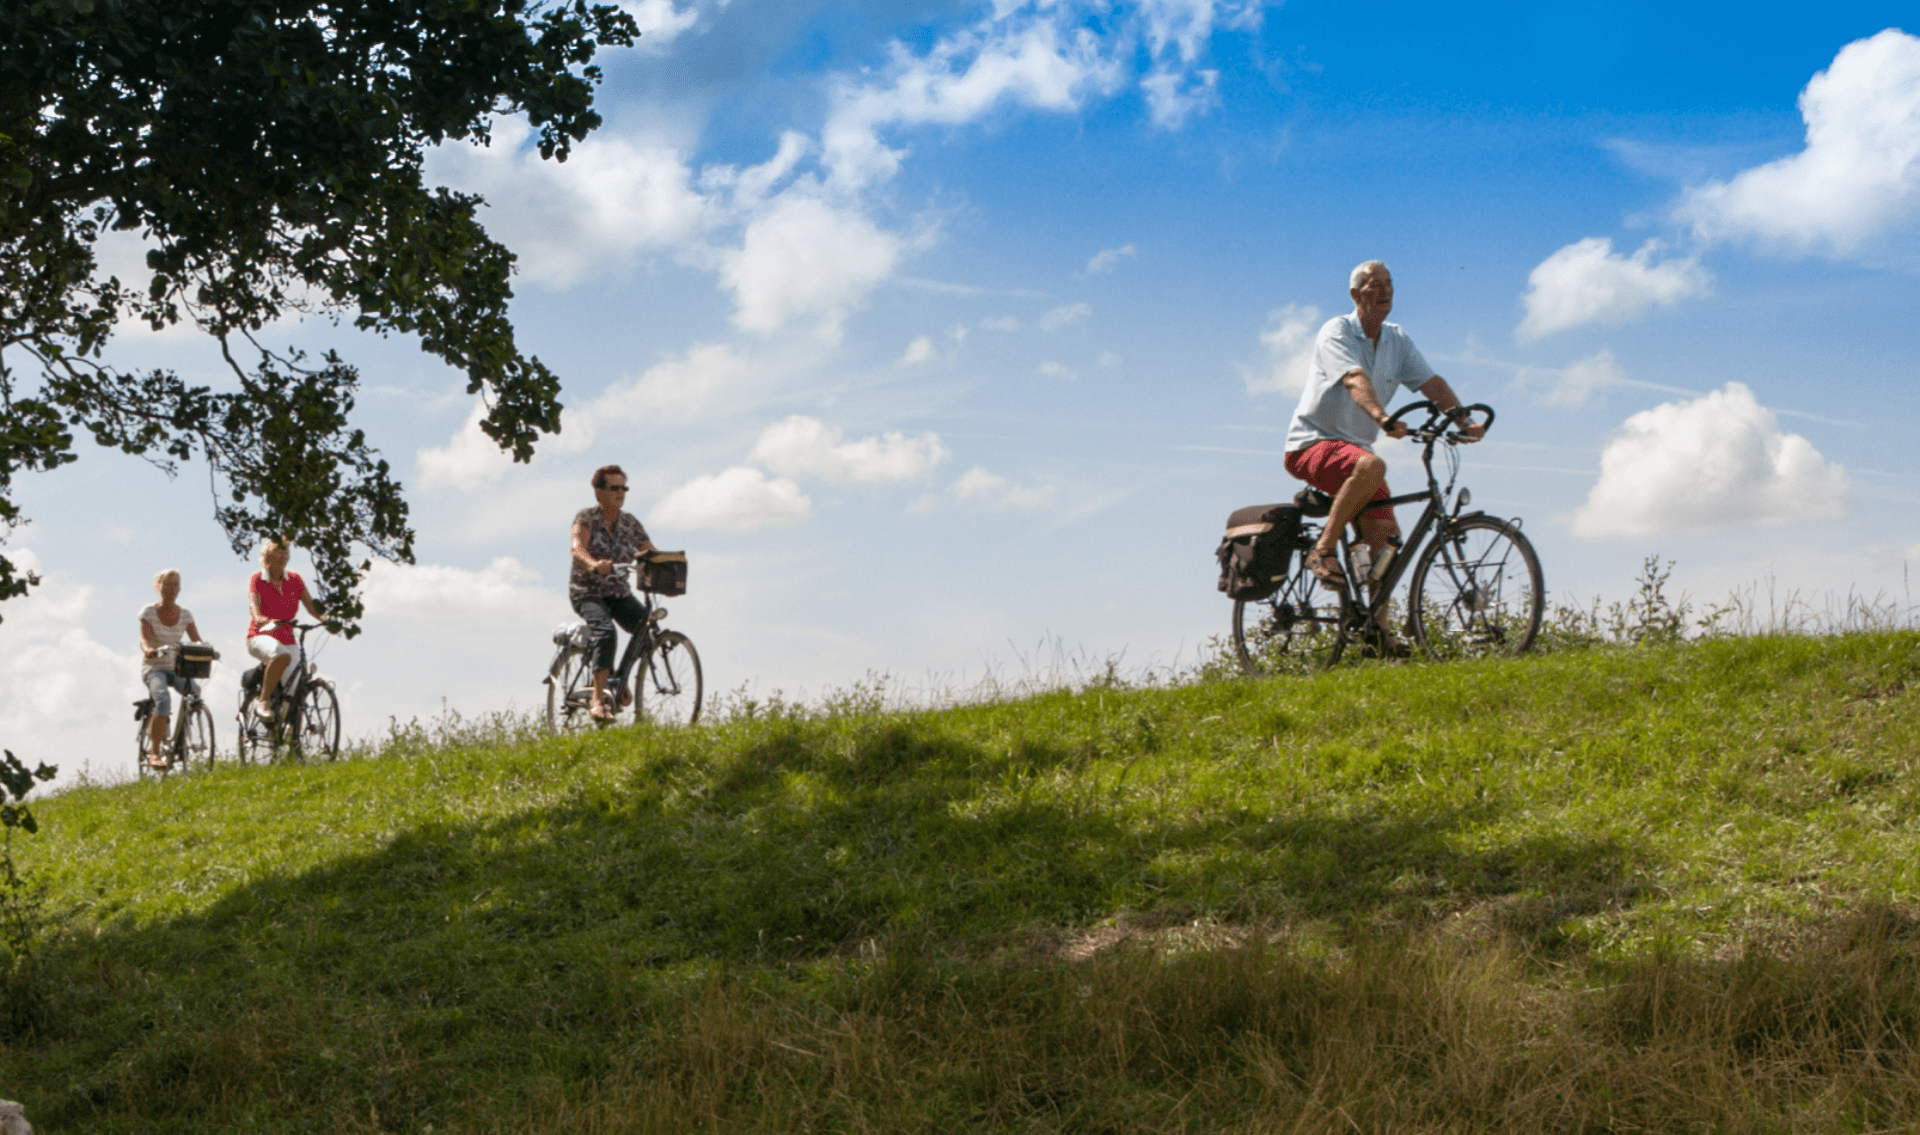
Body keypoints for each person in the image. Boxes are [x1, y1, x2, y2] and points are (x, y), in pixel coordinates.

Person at [1285, 260, 1484, 605]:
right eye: (1374, 284)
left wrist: (1463, 421)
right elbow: (1354, 378)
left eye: (1388, 283)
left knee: (1387, 541)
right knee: (1372, 465)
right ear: (1355, 294)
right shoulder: (1337, 331)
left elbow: (1433, 385)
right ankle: (1323, 549)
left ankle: (1378, 630)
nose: (1384, 290)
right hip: (1312, 443)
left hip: (1356, 453)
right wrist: (1382, 417)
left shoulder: (1396, 340)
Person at [570, 464, 657, 722]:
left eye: (623, 488)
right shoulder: (586, 518)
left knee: (646, 627)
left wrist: (667, 564)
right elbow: (577, 548)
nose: (620, 493)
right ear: (599, 492)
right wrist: (593, 564)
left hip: (618, 593)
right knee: (606, 633)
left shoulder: (630, 523)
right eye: (614, 488)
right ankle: (597, 701)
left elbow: (649, 552)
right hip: (588, 592)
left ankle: (618, 679)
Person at [138, 569, 218, 767]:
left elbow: (196, 640)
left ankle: (183, 736)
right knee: (163, 700)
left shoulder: (185, 615)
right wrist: (149, 650)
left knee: (194, 692)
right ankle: (154, 754)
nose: (172, 589)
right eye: (167, 584)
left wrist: (208, 651)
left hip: (177, 667)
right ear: (159, 587)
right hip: (154, 667)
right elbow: (144, 639)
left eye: (175, 585)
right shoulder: (149, 612)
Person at [246, 537, 324, 715]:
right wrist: (259, 618)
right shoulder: (258, 579)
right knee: (281, 655)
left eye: (286, 552)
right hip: (260, 635)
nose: (283, 556)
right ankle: (263, 702)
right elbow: (254, 605)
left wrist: (325, 618)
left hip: (287, 639)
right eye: (279, 552)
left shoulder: (295, 580)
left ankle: (286, 727)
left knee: (296, 690)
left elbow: (311, 606)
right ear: (269, 555)